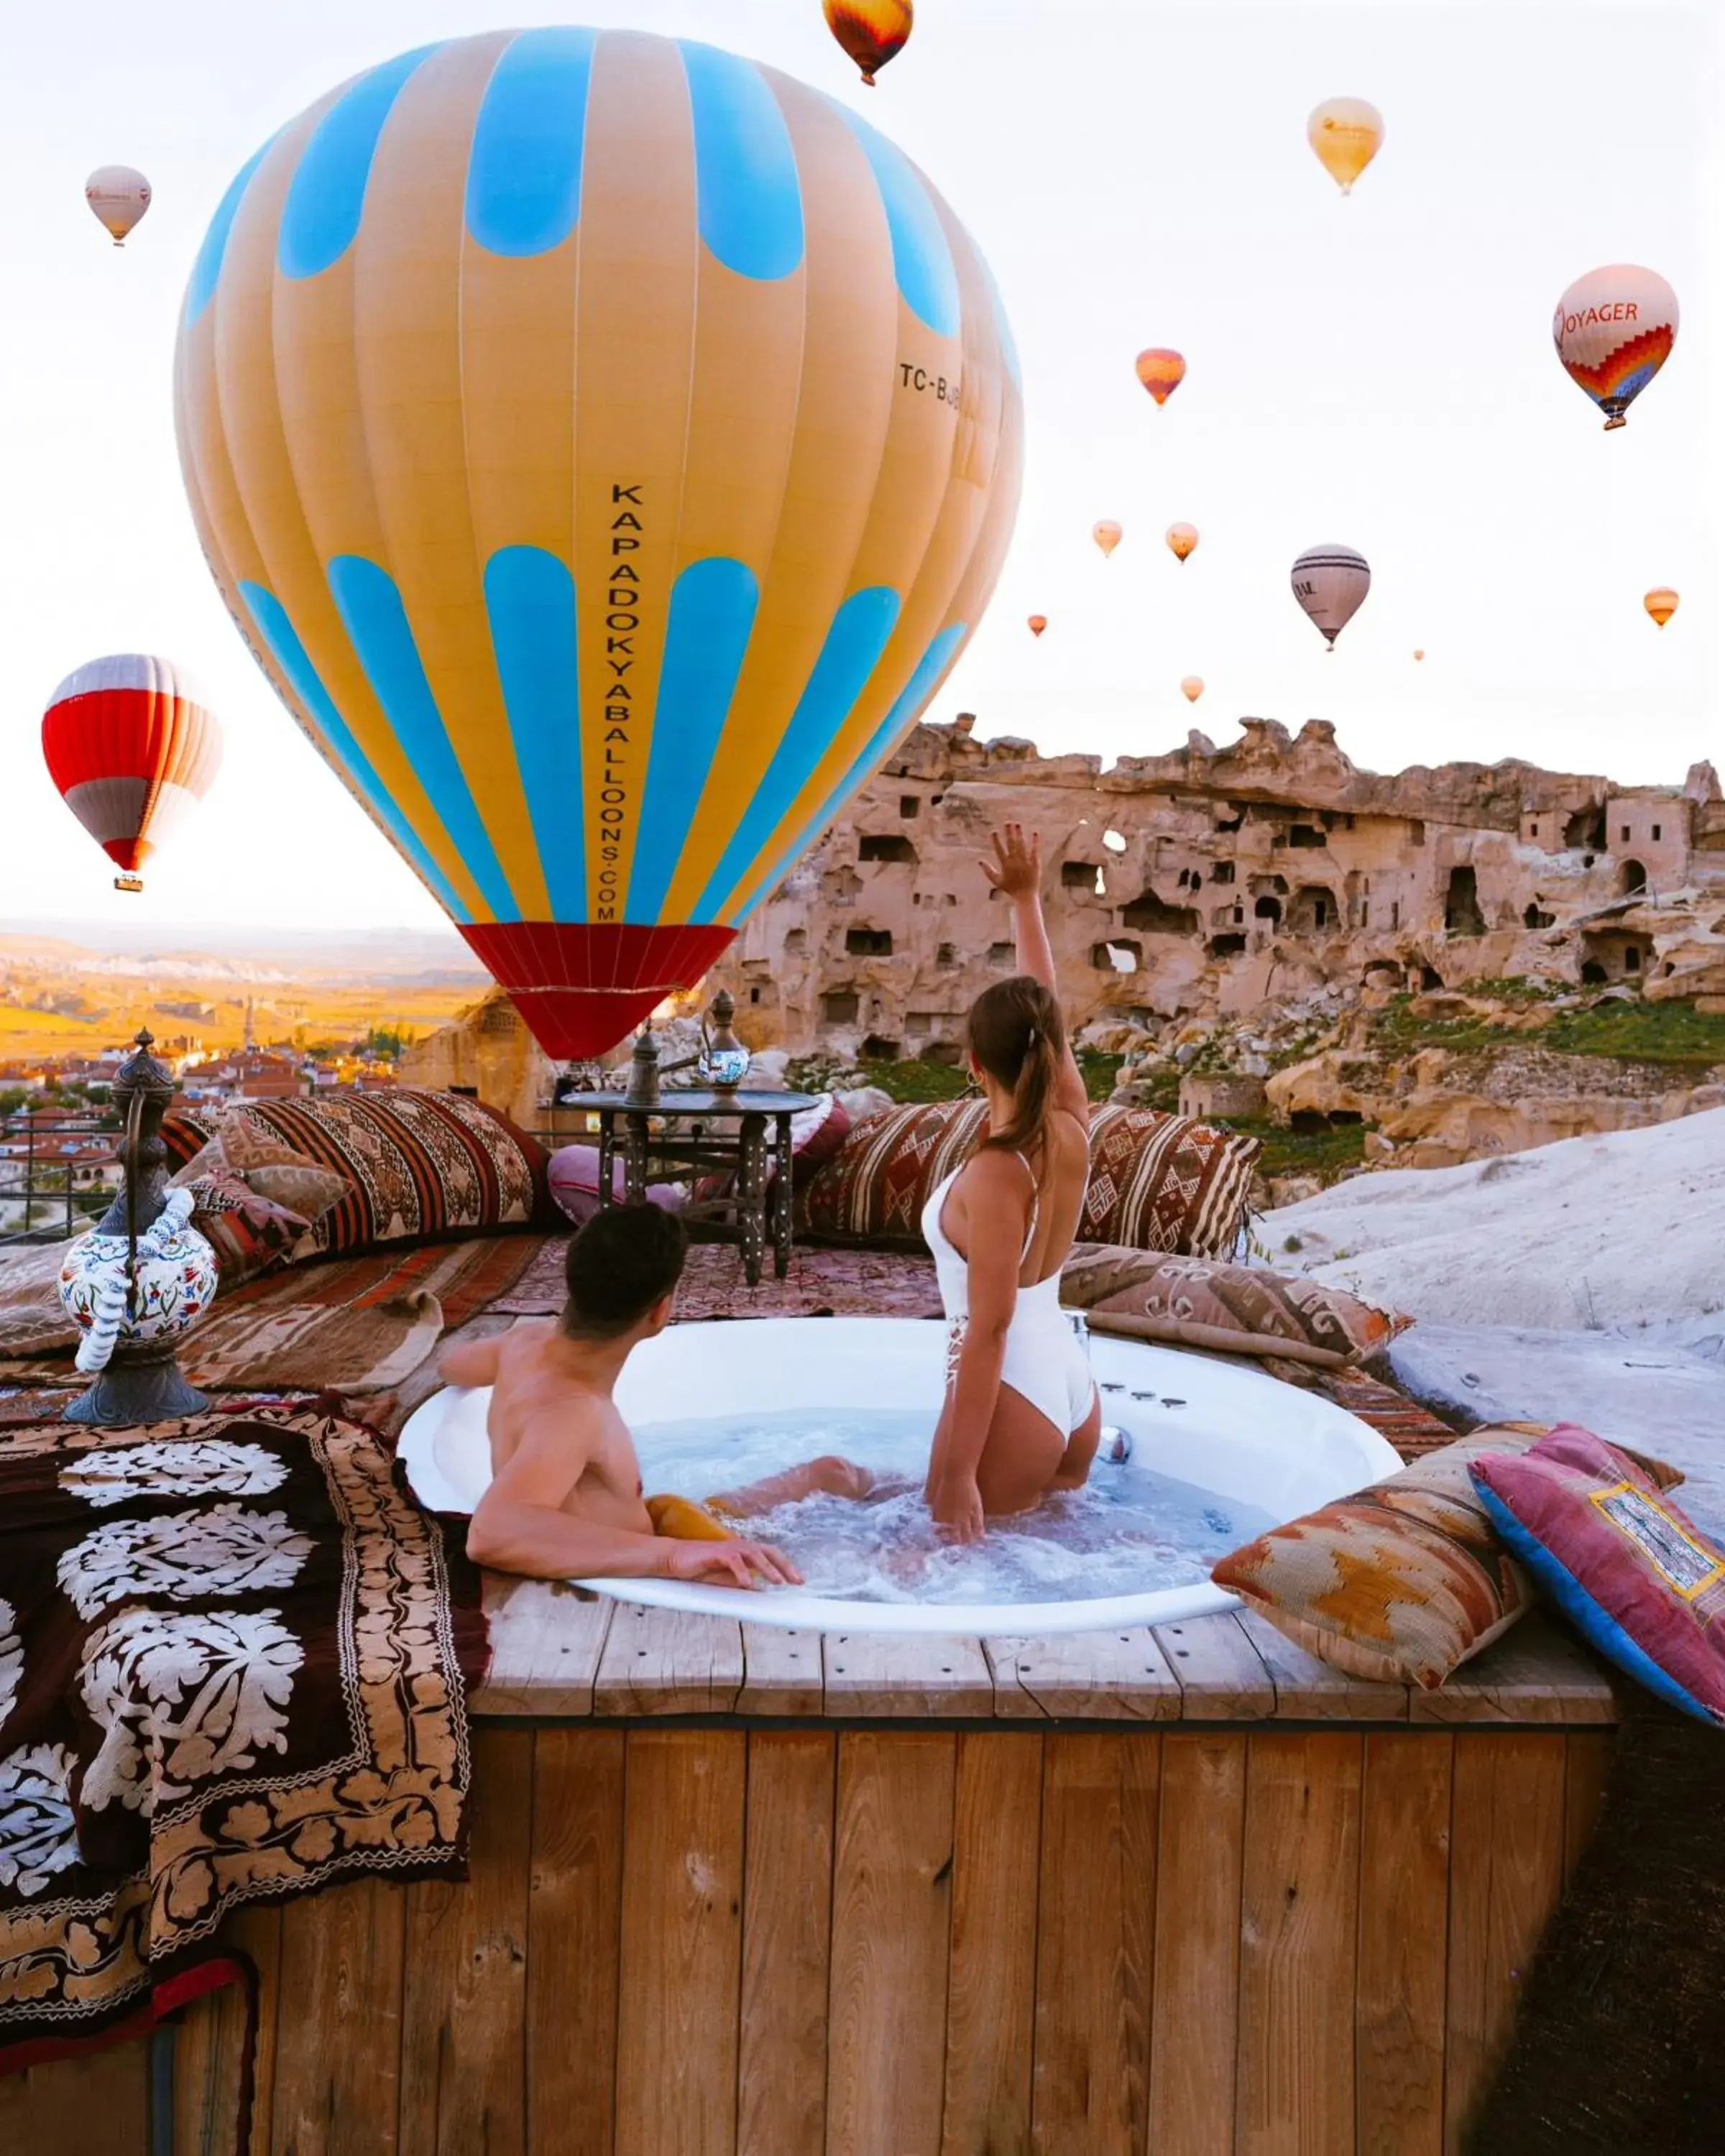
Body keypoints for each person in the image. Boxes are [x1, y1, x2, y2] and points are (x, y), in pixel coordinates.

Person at [713, 822, 1100, 1542]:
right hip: (1071, 1391)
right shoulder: (1072, 1127)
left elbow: (988, 1330)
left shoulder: (995, 1174)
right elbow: (1049, 1012)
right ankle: (819, 1480)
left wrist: (955, 1479)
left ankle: (707, 1521)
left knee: (921, 1554)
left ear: (974, 1066)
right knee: (1027, 1538)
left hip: (1009, 1386)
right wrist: (1025, 903)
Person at [448, 1205, 801, 1590]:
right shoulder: (572, 1414)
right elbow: (492, 1532)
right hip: (639, 1563)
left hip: (655, 1523)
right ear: (660, 1311)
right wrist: (673, 1556)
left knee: (832, 1473)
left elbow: (453, 1366)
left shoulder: (523, 1343)